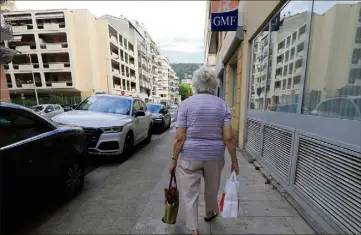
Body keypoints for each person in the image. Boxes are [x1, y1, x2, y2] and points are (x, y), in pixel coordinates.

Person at [169, 66, 239, 235]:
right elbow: (228, 138)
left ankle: (194, 229)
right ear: (214, 84)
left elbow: (179, 137)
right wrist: (234, 161)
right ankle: (210, 213)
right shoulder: (222, 105)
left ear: (195, 84)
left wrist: (173, 160)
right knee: (211, 188)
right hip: (214, 156)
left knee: (190, 194)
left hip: (190, 157)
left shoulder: (185, 105)